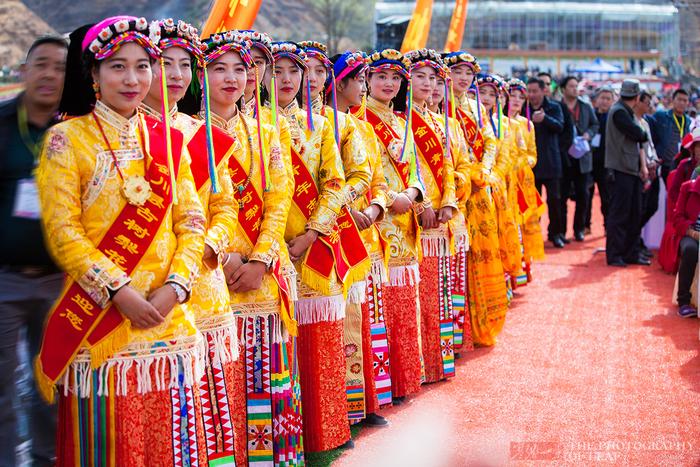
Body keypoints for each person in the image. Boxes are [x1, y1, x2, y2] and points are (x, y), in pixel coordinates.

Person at [35, 16, 208, 464]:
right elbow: (62, 230)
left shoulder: (168, 142)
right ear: (93, 75)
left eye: (141, 65)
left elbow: (191, 222)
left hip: (169, 319)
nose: (132, 79)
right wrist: (118, 289)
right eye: (116, 66)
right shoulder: (65, 140)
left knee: (169, 444)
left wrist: (178, 285)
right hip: (99, 323)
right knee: (104, 445)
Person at [140, 20, 241, 464]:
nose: (177, 74)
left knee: (205, 402)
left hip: (201, 281)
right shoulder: (115, 133)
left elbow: (226, 207)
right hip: (145, 287)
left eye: (186, 64)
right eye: (165, 63)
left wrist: (209, 247)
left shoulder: (202, 133)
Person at [273, 41, 357, 453]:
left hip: (316, 245)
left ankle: (325, 433)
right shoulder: (254, 124)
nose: (287, 80)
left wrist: (311, 233)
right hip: (271, 249)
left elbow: (336, 183)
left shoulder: (321, 125)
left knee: (321, 343)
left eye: (296, 72)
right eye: (279, 71)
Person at [0, 35, 66, 467]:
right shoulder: (3, 123)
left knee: (53, 387)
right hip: (4, 281)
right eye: (41, 64)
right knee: (3, 387)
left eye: (60, 68)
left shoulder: (76, 129)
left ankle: (48, 460)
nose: (49, 75)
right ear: (24, 71)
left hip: (62, 281)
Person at [333, 50, 394, 424]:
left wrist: (373, 210)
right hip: (336, 232)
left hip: (365, 233)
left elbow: (378, 181)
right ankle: (345, 407)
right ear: (339, 82)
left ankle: (364, 402)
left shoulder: (365, 126)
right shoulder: (326, 123)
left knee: (364, 319)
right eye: (359, 79)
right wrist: (345, 212)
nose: (363, 86)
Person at [363, 48, 425, 400]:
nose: (389, 83)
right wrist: (391, 200)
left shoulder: (402, 122)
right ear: (368, 80)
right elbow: (367, 175)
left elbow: (415, 169)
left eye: (395, 78)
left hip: (407, 224)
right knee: (381, 307)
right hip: (381, 225)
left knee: (404, 305)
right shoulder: (359, 118)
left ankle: (405, 380)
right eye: (381, 76)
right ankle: (384, 387)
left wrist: (414, 193)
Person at [403, 48, 459, 384]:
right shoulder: (402, 118)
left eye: (433, 78)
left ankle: (438, 363)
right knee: (417, 294)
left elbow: (448, 165)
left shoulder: (440, 121)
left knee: (438, 292)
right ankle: (419, 365)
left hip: (441, 218)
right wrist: (422, 206)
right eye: (420, 76)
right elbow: (404, 168)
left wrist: (449, 202)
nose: (427, 84)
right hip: (415, 218)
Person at [444, 51, 508, 347]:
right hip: (456, 191)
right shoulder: (437, 104)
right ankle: (458, 328)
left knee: (479, 255)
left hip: (478, 190)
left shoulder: (475, 107)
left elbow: (490, 141)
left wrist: (483, 169)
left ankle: (480, 319)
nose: (464, 78)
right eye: (458, 72)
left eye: (469, 73)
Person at [604, 79, 651, 267]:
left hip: (628, 169)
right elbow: (640, 135)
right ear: (637, 97)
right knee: (620, 214)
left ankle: (630, 252)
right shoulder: (620, 112)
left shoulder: (623, 111)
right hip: (621, 169)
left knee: (633, 213)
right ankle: (615, 254)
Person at [506, 77, 546, 282]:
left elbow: (533, 155)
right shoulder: (498, 122)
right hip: (505, 180)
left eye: (520, 97)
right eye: (512, 96)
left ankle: (522, 271)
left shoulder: (526, 124)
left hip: (522, 179)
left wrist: (522, 162)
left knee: (522, 225)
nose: (515, 100)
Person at [527, 77, 565, 248]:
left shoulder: (554, 107)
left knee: (555, 201)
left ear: (544, 90)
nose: (532, 95)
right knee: (532, 203)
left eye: (535, 91)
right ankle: (533, 235)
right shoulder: (523, 108)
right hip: (530, 165)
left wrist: (545, 119)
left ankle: (555, 233)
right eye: (530, 91)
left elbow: (560, 127)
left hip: (551, 162)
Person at [560, 76, 599, 242]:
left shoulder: (585, 106)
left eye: (576, 86)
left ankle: (579, 229)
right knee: (561, 197)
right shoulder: (558, 106)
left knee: (583, 195)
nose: (574, 89)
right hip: (564, 157)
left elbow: (595, 125)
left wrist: (588, 134)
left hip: (583, 156)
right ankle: (560, 231)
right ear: (563, 89)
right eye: (571, 86)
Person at [658, 129, 700, 274]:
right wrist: (683, 209)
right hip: (686, 214)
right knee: (690, 248)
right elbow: (674, 192)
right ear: (693, 149)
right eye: (698, 146)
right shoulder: (685, 166)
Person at [586, 86, 615, 233]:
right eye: (602, 98)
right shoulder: (591, 116)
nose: (604, 101)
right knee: (587, 195)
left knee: (606, 196)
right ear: (596, 100)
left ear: (612, 101)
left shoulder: (614, 117)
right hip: (590, 160)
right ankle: (586, 226)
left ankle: (607, 225)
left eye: (607, 99)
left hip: (607, 162)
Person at [671, 176, 700, 318]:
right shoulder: (687, 187)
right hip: (690, 235)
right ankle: (683, 301)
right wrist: (693, 233)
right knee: (690, 250)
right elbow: (677, 218)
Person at [637, 90, 662, 251]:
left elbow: (650, 146)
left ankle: (635, 237)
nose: (649, 106)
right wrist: (644, 165)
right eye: (647, 103)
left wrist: (654, 161)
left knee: (652, 206)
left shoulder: (646, 122)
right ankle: (634, 240)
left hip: (652, 170)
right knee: (639, 207)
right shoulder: (633, 122)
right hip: (640, 171)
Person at [649, 88, 691, 184]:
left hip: (681, 164)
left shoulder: (688, 121)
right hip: (664, 163)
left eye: (685, 100)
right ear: (673, 100)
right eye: (679, 100)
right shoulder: (661, 116)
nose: (682, 103)